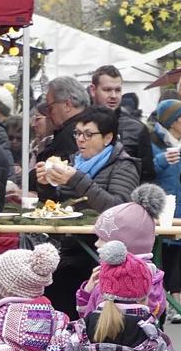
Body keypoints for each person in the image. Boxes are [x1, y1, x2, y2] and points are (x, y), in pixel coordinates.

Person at [35, 106, 141, 319]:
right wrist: (46, 185)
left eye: (88, 134)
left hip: (104, 253)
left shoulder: (124, 165)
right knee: (51, 288)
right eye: (77, 133)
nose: (80, 140)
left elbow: (117, 210)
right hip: (71, 247)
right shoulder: (74, 163)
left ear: (107, 137)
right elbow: (58, 206)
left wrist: (76, 179)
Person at [75, 184, 167, 321]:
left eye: (103, 239)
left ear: (121, 246)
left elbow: (89, 323)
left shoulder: (110, 282)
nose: (97, 243)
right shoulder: (153, 277)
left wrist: (87, 294)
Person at [150, 99, 181, 324]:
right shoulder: (154, 144)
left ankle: (174, 303)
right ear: (169, 120)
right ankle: (159, 304)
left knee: (177, 257)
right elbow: (146, 171)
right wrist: (161, 161)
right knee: (159, 259)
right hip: (158, 213)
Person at [89, 66, 154, 182]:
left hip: (126, 196)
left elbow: (147, 176)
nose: (113, 96)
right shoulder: (79, 125)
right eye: (107, 90)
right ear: (93, 90)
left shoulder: (137, 129)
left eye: (118, 90)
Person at [32, 76, 89, 196]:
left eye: (50, 107)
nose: (49, 114)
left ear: (67, 105)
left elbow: (58, 174)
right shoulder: (76, 127)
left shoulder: (71, 133)